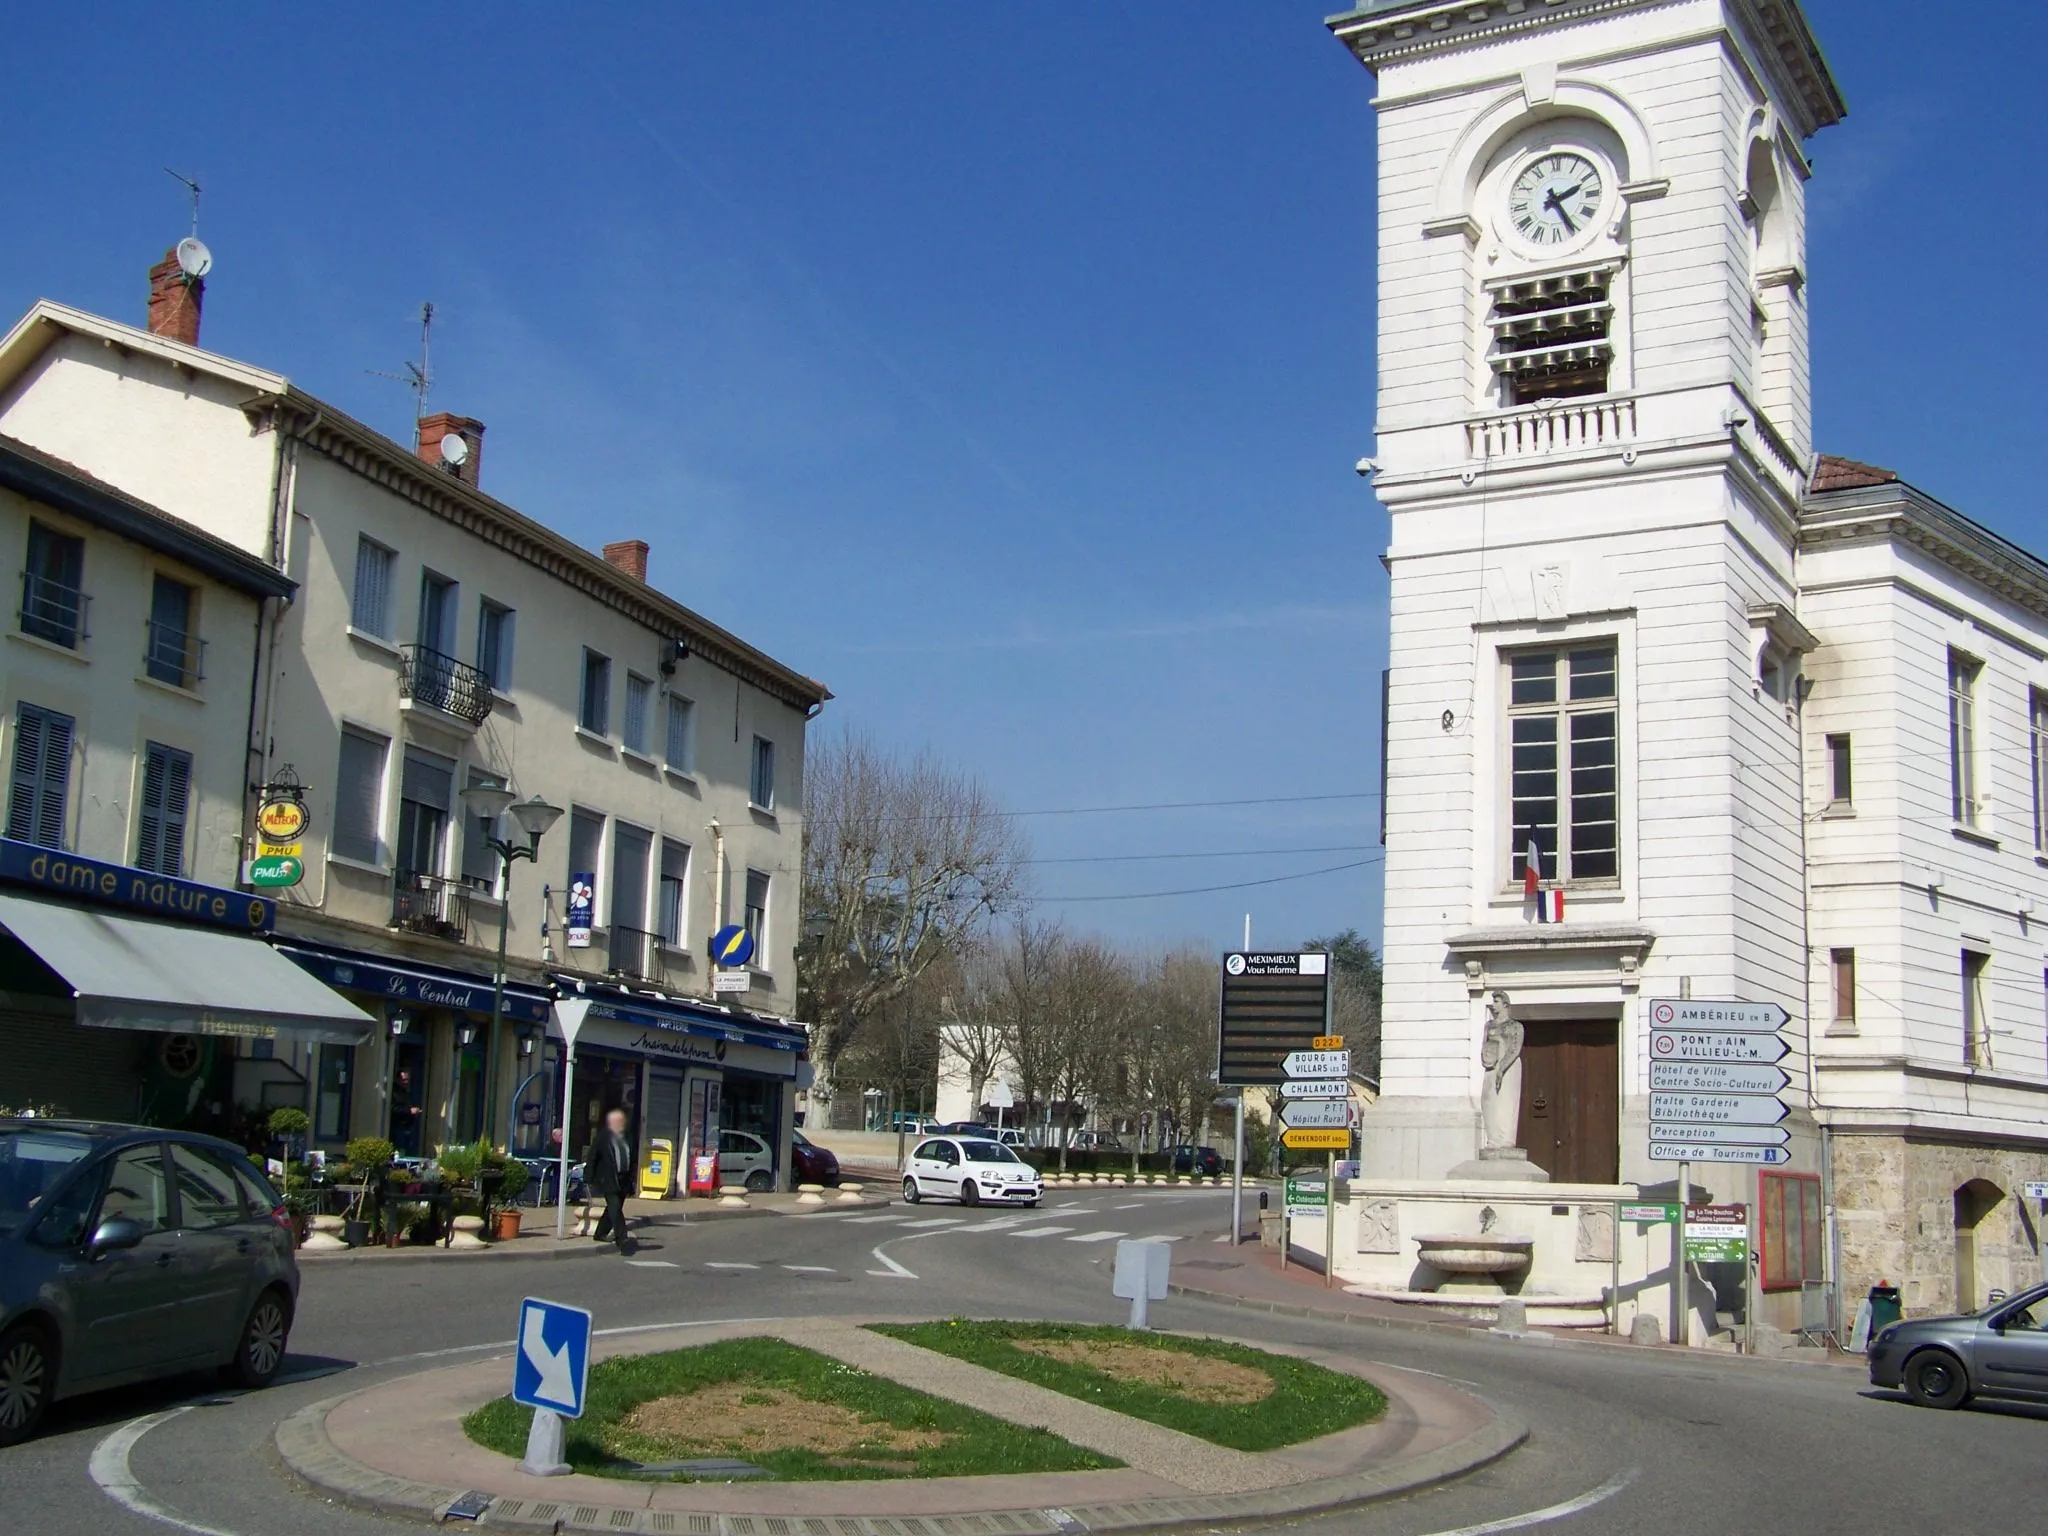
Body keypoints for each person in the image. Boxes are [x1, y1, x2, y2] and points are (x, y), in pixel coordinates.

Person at [583, 1108, 634, 1252]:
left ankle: (600, 1233)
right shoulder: (603, 1137)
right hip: (608, 1179)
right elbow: (592, 1157)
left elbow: (632, 1158)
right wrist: (588, 1176)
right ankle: (622, 1239)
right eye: (618, 1121)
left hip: (623, 1179)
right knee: (615, 1207)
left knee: (613, 1208)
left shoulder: (627, 1138)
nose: (621, 1124)